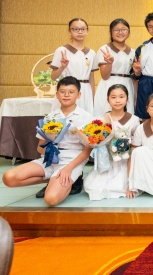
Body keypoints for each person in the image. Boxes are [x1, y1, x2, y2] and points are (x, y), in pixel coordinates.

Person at [2, 77, 93, 206]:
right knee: (8, 178)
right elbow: (39, 148)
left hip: (71, 160)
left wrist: (68, 169)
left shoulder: (86, 117)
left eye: (71, 92)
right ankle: (53, 179)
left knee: (50, 199)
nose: (66, 95)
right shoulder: (51, 117)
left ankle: (72, 179)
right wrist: (49, 148)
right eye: (62, 92)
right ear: (57, 94)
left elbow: (87, 152)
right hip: (49, 160)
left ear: (79, 95)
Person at [84, 84, 140, 200]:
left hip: (125, 160)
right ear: (108, 99)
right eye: (113, 97)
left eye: (121, 97)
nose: (117, 100)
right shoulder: (101, 119)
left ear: (127, 99)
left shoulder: (134, 120)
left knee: (120, 186)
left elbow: (136, 145)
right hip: (106, 159)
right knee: (94, 187)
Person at [50, 18, 97, 113]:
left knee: (85, 119)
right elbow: (53, 77)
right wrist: (62, 67)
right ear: (69, 31)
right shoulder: (62, 50)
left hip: (85, 91)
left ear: (87, 31)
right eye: (76, 29)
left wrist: (92, 98)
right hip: (68, 90)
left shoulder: (91, 53)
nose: (80, 32)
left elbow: (91, 78)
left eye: (83, 29)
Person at [93, 19, 135, 115]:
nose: (120, 32)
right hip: (108, 85)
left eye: (123, 29)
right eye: (116, 30)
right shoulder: (105, 49)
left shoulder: (133, 52)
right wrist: (109, 63)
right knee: (105, 117)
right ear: (111, 32)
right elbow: (104, 76)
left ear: (128, 31)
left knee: (126, 117)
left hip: (127, 86)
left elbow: (134, 78)